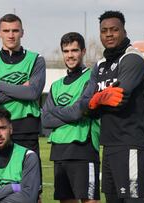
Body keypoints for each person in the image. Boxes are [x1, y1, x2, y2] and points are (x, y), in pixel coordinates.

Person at [87, 11, 144, 203]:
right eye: (104, 31)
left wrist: (96, 100)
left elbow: (119, 98)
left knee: (132, 200)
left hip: (131, 144)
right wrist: (97, 101)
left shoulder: (132, 59)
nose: (109, 34)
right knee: (112, 200)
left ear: (124, 31)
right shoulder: (100, 66)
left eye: (114, 30)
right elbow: (86, 107)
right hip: (109, 145)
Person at [0, 13, 45, 193]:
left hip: (27, 129)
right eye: (6, 31)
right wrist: (20, 89)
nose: (11, 35)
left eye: (15, 30)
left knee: (31, 190)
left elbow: (33, 92)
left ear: (22, 32)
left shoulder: (36, 59)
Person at [42, 32, 100, 203]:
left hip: (83, 149)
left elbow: (78, 112)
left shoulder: (91, 78)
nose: (70, 55)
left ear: (83, 52)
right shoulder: (56, 85)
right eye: (66, 51)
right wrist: (73, 113)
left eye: (74, 50)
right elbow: (45, 120)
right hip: (59, 151)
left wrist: (60, 111)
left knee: (89, 200)